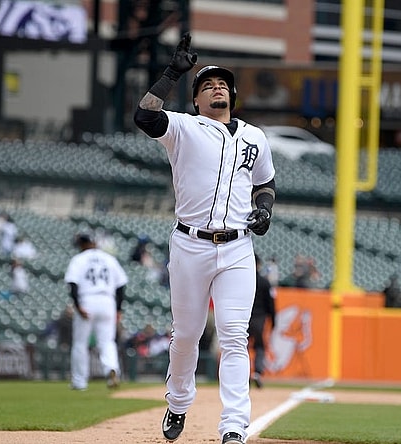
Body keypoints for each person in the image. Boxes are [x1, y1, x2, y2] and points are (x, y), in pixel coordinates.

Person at [133, 33, 276, 444]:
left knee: (234, 335)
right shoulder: (184, 127)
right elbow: (145, 118)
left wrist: (264, 209)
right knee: (187, 335)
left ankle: (234, 425)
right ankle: (178, 402)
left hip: (236, 248)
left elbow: (265, 183)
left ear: (232, 94)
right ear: (196, 100)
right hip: (190, 244)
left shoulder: (255, 137)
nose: (216, 87)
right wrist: (172, 73)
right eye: (206, 85)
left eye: (221, 83)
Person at [64, 232, 128, 391]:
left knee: (80, 343)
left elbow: (72, 285)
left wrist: (78, 307)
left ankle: (79, 381)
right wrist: (118, 309)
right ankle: (112, 370)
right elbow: (121, 286)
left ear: (82, 244)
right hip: (108, 301)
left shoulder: (79, 259)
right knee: (107, 342)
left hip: (87, 300)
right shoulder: (109, 258)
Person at [248, 254, 276, 389]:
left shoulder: (243, 280)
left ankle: (244, 373)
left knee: (241, 347)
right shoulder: (265, 282)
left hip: (244, 318)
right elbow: (271, 303)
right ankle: (257, 373)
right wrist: (274, 320)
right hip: (260, 319)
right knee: (259, 347)